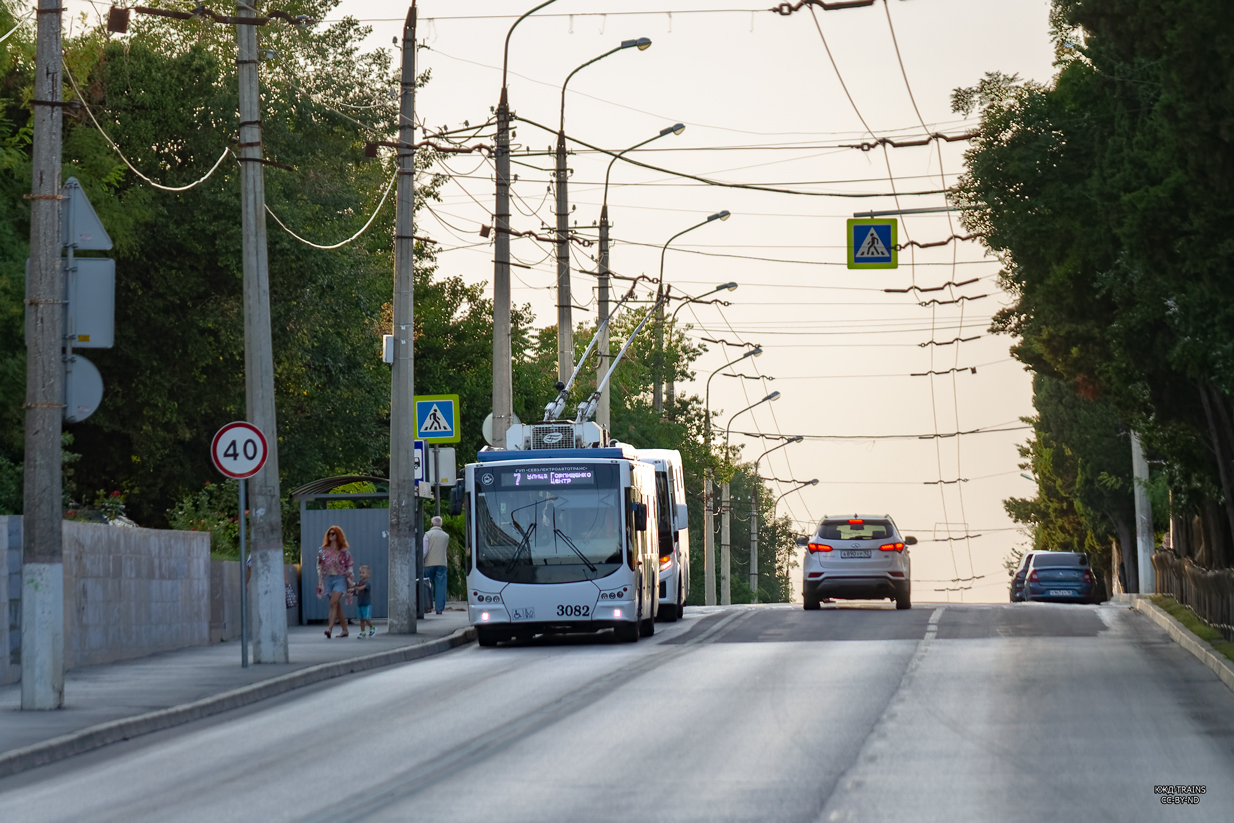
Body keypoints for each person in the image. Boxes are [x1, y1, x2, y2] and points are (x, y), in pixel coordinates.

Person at [316, 525, 355, 638]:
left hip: (340, 578)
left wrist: (349, 572)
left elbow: (350, 564)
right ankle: (345, 630)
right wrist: (319, 558)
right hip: (328, 578)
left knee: (333, 603)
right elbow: (320, 563)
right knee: (336, 605)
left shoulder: (344, 551)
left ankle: (329, 629)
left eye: (333, 533)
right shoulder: (323, 550)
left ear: (338, 535)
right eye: (329, 534)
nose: (331, 536)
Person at [423, 515, 450, 615]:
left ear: (432, 524)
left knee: (428, 585)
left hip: (429, 563)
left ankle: (428, 606)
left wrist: (421, 560)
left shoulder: (427, 535)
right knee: (441, 586)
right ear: (441, 524)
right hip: (442, 563)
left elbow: (424, 551)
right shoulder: (446, 536)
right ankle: (439, 609)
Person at [354, 564, 375, 638]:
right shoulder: (359, 582)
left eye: (363, 573)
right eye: (360, 573)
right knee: (361, 619)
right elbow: (355, 587)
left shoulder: (367, 583)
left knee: (366, 618)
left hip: (366, 604)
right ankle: (362, 632)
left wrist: (356, 587)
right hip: (360, 603)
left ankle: (372, 627)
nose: (361, 574)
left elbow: (361, 588)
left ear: (368, 574)